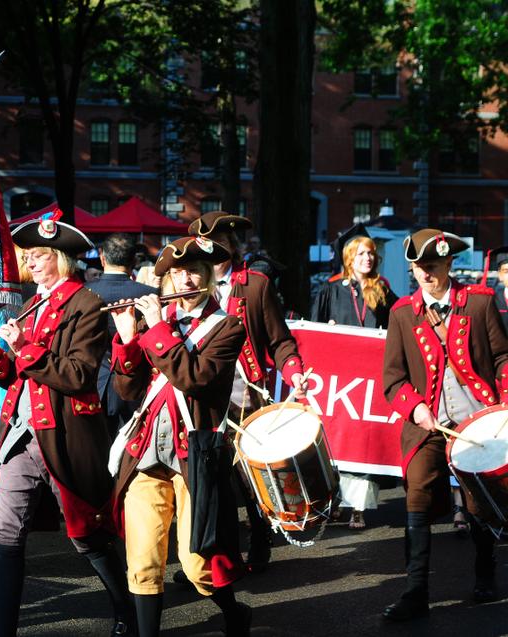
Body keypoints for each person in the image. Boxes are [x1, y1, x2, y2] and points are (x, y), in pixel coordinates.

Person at [0, 212, 134, 637]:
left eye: (39, 255)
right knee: (5, 533)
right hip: (20, 435)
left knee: (87, 534)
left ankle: (126, 613)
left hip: (66, 436)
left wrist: (23, 347)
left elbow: (78, 375)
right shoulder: (33, 302)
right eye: (28, 255)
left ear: (61, 259)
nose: (29, 261)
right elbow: (21, 376)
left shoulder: (86, 303)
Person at [108, 235, 250, 637]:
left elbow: (195, 378)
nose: (186, 280)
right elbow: (127, 391)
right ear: (168, 279)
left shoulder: (228, 327)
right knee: (142, 563)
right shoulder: (160, 321)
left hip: (195, 456)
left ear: (208, 276)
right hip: (146, 451)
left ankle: (235, 614)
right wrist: (127, 339)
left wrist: (155, 328)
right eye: (178, 273)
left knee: (198, 565)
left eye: (195, 272)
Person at [381, 229, 507, 621]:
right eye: (419, 267)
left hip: (478, 419)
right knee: (417, 492)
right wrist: (417, 408)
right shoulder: (402, 313)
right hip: (429, 425)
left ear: (450, 263)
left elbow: (502, 358)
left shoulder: (480, 303)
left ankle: (485, 572)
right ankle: (415, 591)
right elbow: (393, 380)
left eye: (432, 266)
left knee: (478, 500)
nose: (425, 274)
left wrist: (504, 402)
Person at [186, 211, 308, 573]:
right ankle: (217, 559)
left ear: (231, 245)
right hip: (201, 395)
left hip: (245, 395)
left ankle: (259, 535)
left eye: (218, 244)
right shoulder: (189, 284)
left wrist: (294, 372)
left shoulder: (255, 285)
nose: (211, 251)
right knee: (208, 478)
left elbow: (280, 340)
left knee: (249, 477)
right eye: (205, 245)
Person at [310, 230, 398, 529]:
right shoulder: (331, 289)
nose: (367, 258)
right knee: (337, 441)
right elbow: (315, 329)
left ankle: (358, 509)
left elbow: (398, 324)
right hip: (339, 379)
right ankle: (334, 500)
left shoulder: (382, 290)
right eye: (361, 253)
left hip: (369, 378)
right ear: (349, 258)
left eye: (371, 253)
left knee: (363, 442)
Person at [86, 233, 159, 432]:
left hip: (94, 381)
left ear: (102, 258)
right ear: (134, 260)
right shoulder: (151, 294)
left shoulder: (83, 292)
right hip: (135, 382)